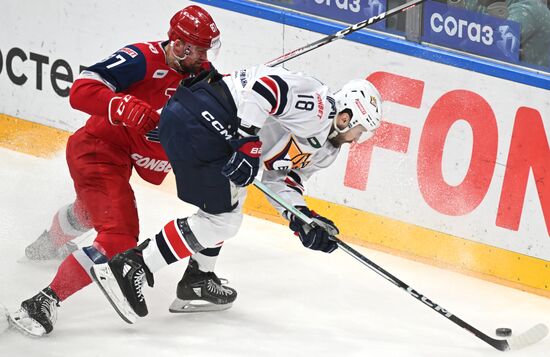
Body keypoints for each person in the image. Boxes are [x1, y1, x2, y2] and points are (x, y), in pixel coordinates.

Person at [89, 64, 384, 323]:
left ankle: (198, 278)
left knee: (229, 200)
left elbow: (281, 180)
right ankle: (132, 266)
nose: (359, 138)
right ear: (345, 116)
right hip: (203, 116)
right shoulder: (319, 107)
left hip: (208, 122)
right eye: (361, 129)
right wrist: (246, 140)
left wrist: (302, 219)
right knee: (223, 220)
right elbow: (265, 88)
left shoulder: (326, 149)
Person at [9, 5, 233, 337]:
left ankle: (49, 243)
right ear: (179, 43)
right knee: (118, 237)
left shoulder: (201, 73)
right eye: (197, 48)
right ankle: (41, 303)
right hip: (98, 150)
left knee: (91, 213)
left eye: (206, 49)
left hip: (128, 155)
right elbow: (81, 90)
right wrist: (121, 105)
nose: (203, 56)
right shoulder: (141, 57)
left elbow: (225, 103)